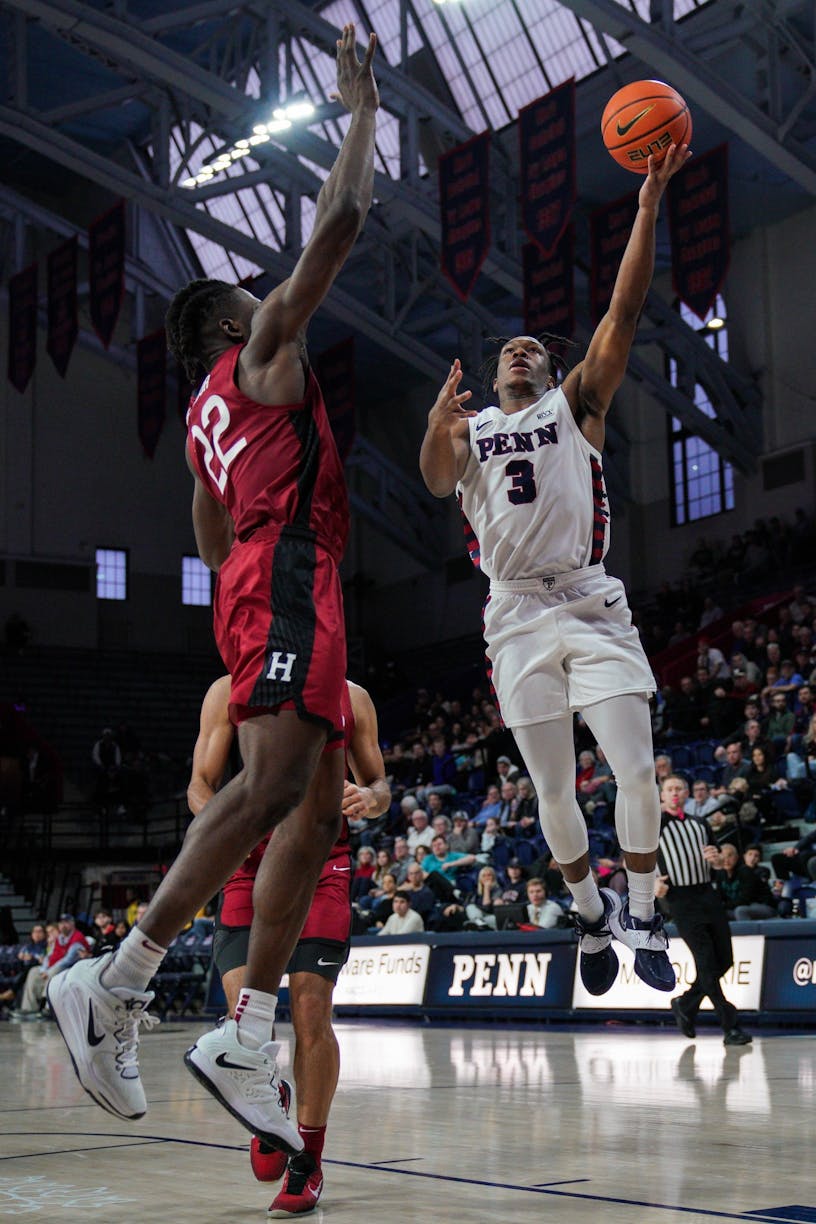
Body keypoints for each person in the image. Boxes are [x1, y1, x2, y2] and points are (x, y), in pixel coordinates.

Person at [48, 24, 379, 1150]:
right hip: (289, 567)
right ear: (233, 324)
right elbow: (339, 224)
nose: (267, 294)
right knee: (272, 784)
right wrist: (362, 114)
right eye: (252, 292)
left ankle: (245, 1030)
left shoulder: (202, 429)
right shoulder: (259, 352)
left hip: (268, 570)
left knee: (317, 802)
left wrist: (248, 607)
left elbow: (208, 528)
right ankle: (119, 983)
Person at [419, 141, 690, 997]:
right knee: (552, 789)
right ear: (495, 370)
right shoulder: (466, 434)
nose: (522, 352)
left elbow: (623, 311)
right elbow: (433, 481)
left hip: (589, 599)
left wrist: (647, 205)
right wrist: (434, 424)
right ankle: (586, 911)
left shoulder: (577, 405)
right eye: (512, 349)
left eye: (535, 348)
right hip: (514, 614)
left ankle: (641, 908)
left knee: (636, 771)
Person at [192, 674, 389, 1216]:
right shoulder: (227, 690)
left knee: (310, 1009)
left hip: (322, 860)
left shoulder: (352, 695)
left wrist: (367, 797)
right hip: (247, 861)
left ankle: (309, 1158)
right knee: (244, 1017)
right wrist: (231, 825)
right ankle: (268, 1093)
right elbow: (200, 785)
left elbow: (380, 787)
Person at [656, 776, 751, 1046]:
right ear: (662, 795)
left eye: (679, 789)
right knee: (707, 961)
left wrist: (719, 861)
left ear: (687, 794)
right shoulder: (654, 826)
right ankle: (730, 1025)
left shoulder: (699, 823)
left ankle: (685, 1005)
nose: (675, 793)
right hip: (679, 898)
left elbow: (718, 858)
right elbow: (636, 858)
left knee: (725, 960)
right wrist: (652, 884)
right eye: (670, 789)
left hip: (707, 894)